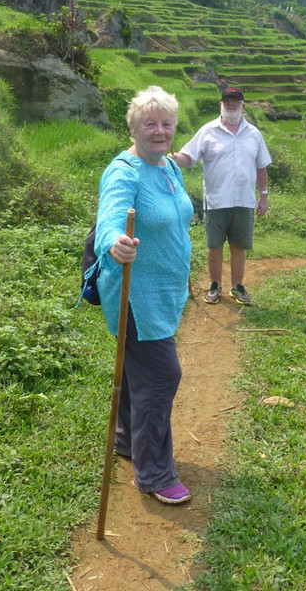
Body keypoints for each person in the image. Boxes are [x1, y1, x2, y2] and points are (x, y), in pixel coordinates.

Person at [94, 85, 195, 505]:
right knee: (161, 375)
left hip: (164, 291)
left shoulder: (169, 167)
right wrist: (115, 243)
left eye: (166, 123)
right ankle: (152, 472)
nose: (159, 131)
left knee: (140, 370)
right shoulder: (124, 172)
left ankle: (126, 440)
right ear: (133, 128)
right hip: (136, 297)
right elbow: (111, 218)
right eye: (149, 123)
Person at [171, 86, 271, 306]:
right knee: (214, 245)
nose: (231, 105)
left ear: (243, 106)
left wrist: (263, 196)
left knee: (239, 246)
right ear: (221, 105)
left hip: (244, 201)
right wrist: (176, 158)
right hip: (216, 200)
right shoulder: (208, 131)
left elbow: (261, 167)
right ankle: (215, 285)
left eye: (236, 101)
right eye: (227, 101)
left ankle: (238, 287)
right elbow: (189, 157)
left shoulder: (253, 134)